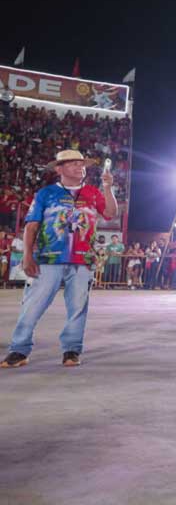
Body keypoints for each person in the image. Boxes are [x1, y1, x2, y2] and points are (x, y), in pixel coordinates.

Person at [1, 149, 117, 368]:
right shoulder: (46, 193)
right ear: (59, 169)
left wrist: (108, 188)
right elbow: (32, 225)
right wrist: (27, 256)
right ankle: (19, 350)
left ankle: (72, 350)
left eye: (82, 164)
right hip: (48, 259)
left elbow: (110, 213)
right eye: (73, 164)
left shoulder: (93, 192)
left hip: (83, 260)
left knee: (78, 307)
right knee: (32, 305)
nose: (80, 167)